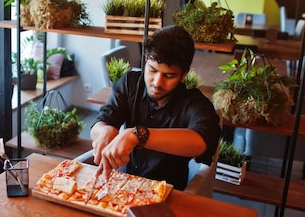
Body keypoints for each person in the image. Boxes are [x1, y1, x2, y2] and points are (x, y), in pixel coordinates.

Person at [90, 25, 221, 190]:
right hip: (120, 185)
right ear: (146, 61)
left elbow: (202, 142)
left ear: (184, 75)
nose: (157, 83)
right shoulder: (129, 84)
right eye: (152, 70)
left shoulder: (193, 102)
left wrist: (137, 135)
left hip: (165, 194)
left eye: (169, 75)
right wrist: (105, 131)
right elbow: (99, 124)